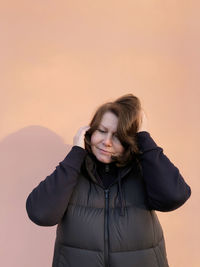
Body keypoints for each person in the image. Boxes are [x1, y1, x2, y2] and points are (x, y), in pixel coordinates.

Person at [26, 94, 191, 267]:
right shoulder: (71, 172)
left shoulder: (145, 170)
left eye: (118, 136)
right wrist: (76, 153)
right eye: (102, 131)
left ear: (130, 140)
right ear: (90, 131)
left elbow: (175, 196)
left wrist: (144, 136)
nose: (107, 142)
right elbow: (40, 214)